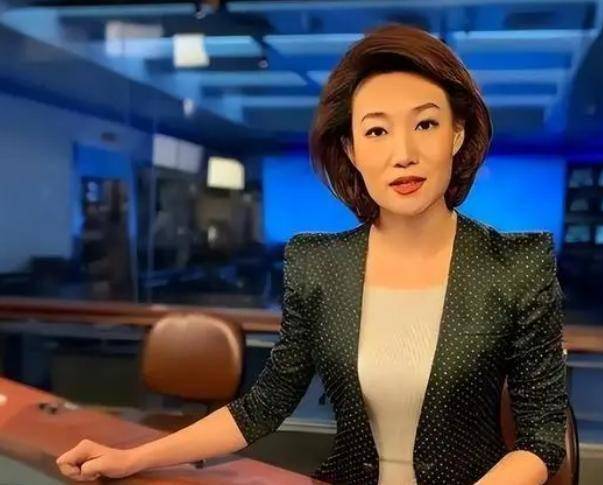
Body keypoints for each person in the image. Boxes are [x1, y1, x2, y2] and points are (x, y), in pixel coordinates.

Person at [56, 24, 568, 485]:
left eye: (425, 125)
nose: (403, 154)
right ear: (351, 150)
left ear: (457, 133)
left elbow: (542, 440)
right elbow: (264, 405)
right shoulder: (318, 265)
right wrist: (133, 457)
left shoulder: (517, 266)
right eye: (377, 130)